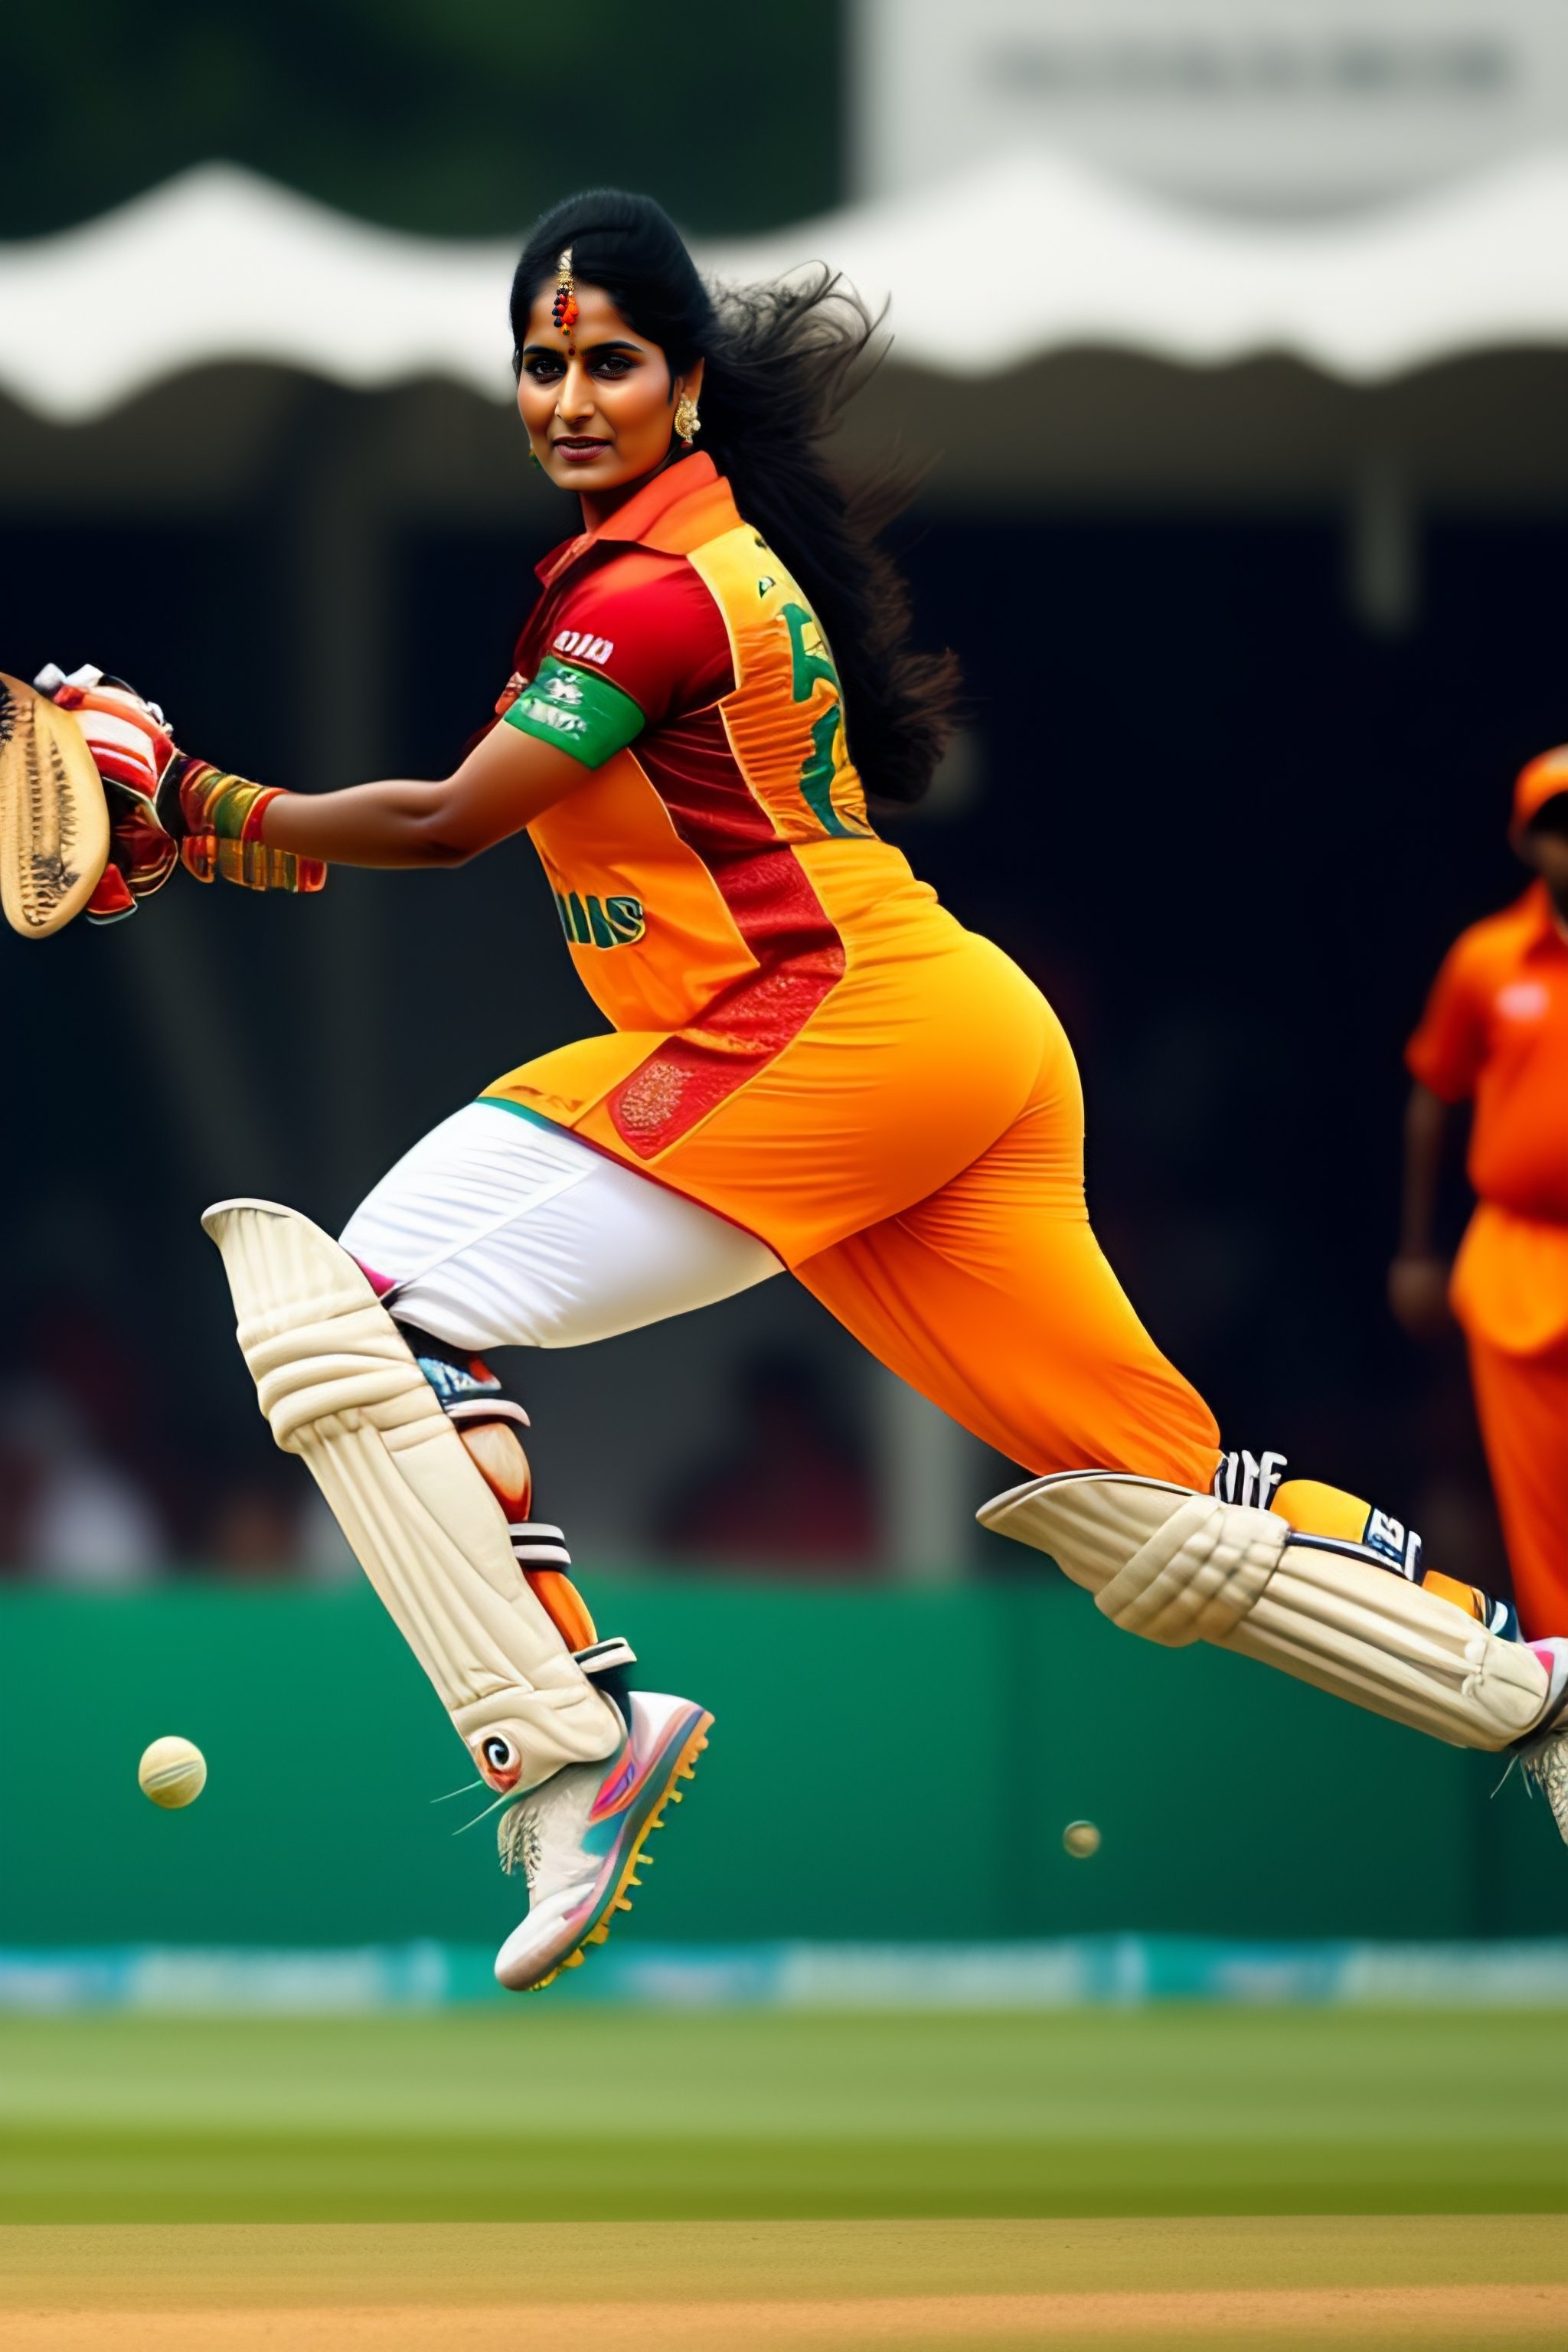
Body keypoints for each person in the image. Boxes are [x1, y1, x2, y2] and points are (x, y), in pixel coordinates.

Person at [35, 191, 1568, 1988]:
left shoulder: (660, 590)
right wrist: (207, 824)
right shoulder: (660, 565)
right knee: (1157, 1504)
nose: (569, 395)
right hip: (927, 1040)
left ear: (685, 382)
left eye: (609, 360)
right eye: (541, 363)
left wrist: (198, 807)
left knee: (354, 1309)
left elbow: (453, 820)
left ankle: (567, 1744)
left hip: (827, 1022)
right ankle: (1529, 1691)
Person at [1392, 751, 1568, 1690]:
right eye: (1557, 824)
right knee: (1527, 1484)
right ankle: (1555, 1666)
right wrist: (1417, 1249)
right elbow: (1433, 1091)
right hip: (1517, 1245)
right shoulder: (1487, 959)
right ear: (1525, 840)